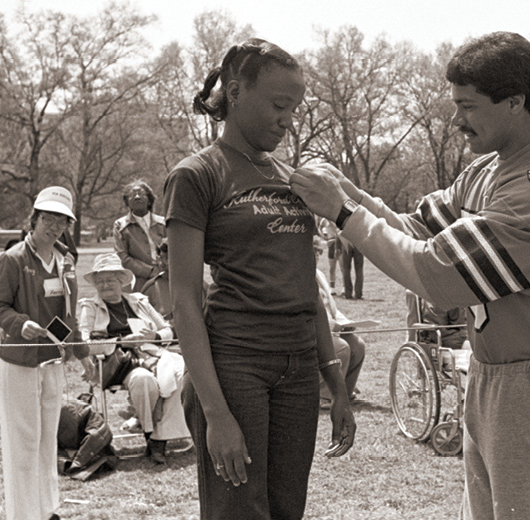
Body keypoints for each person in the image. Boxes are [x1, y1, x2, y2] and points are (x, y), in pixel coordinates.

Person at [291, 32, 530, 520]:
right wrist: (349, 194)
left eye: (469, 106)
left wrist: (344, 211)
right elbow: (418, 232)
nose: (457, 120)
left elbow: (437, 272)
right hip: (495, 370)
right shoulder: (490, 168)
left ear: (516, 102)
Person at [163, 38, 355, 519]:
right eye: (278, 105)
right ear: (235, 92)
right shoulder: (197, 175)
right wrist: (216, 414)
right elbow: (184, 302)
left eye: (294, 108)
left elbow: (306, 287)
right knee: (239, 512)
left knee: (287, 510)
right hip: (235, 366)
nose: (288, 119)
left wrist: (336, 384)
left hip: (297, 368)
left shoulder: (295, 180)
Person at [0, 186, 90, 520]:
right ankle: (23, 514)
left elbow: (69, 314)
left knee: (48, 440)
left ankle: (47, 509)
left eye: (62, 222)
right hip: (19, 362)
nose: (55, 227)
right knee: (24, 441)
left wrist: (82, 354)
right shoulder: (14, 258)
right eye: (48, 219)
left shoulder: (67, 260)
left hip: (52, 362)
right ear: (34, 219)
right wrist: (20, 324)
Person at [78, 252, 190, 464]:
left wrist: (153, 336)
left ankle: (161, 436)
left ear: (121, 281)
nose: (105, 285)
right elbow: (84, 344)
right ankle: (152, 437)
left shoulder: (138, 301)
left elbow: (167, 330)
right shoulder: (90, 306)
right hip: (119, 362)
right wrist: (120, 342)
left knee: (183, 372)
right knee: (143, 379)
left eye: (110, 279)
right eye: (100, 281)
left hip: (153, 354)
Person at [314, 241, 366, 404]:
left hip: (331, 328)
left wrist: (346, 323)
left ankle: (346, 392)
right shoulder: (297, 277)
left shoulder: (319, 275)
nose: (316, 255)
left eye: (319, 252)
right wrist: (332, 325)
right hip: (312, 331)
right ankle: (325, 396)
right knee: (342, 347)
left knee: (358, 345)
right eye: (314, 251)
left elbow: (333, 309)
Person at [112, 180, 166, 299]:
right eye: (132, 195)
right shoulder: (120, 226)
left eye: (141, 194)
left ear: (150, 200)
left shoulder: (164, 223)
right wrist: (150, 271)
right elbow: (122, 257)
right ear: (126, 202)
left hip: (166, 276)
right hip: (138, 280)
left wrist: (164, 269)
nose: (137, 197)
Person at [317, 218, 339, 293]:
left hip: (339, 241)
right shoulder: (324, 220)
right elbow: (319, 228)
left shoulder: (336, 217)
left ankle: (344, 287)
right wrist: (324, 237)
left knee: (343, 267)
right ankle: (332, 287)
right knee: (332, 267)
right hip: (331, 242)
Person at [340, 235, 364, 299]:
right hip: (358, 243)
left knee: (346, 269)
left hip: (346, 242)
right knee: (359, 269)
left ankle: (348, 293)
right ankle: (358, 293)